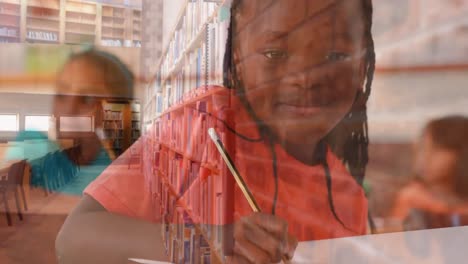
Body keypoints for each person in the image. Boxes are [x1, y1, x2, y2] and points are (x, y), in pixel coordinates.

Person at [56, 0, 376, 263]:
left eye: (336, 56)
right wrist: (205, 243)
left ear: (362, 67)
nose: (305, 78)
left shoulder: (350, 200)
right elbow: (75, 238)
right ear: (237, 57)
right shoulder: (202, 124)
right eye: (275, 54)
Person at [391, 116, 468, 230]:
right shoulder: (413, 198)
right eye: (422, 148)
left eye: (436, 149)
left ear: (462, 154)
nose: (424, 158)